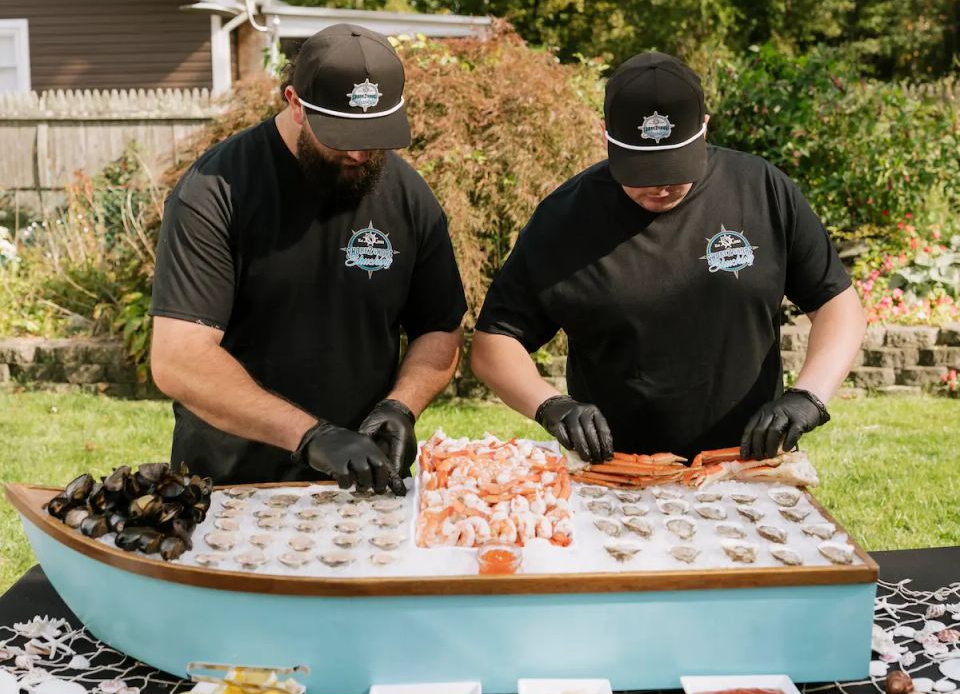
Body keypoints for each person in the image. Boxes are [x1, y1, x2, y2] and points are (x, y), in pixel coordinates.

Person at [470, 51, 865, 465]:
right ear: (604, 133)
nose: (660, 186)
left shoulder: (763, 190)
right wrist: (551, 405)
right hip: (616, 469)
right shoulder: (564, 218)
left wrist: (807, 397)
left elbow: (837, 305)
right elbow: (495, 341)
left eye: (675, 166)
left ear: (705, 127)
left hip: (748, 462)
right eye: (641, 170)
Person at [150, 24, 467, 493]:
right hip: (234, 485)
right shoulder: (216, 190)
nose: (360, 152)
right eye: (341, 135)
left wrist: (401, 405)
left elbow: (439, 329)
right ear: (295, 103)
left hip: (364, 481)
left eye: (375, 134)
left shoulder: (408, 195)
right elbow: (179, 358)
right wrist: (309, 436)